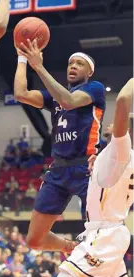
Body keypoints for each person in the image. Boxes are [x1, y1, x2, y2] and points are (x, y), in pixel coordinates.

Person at [14, 39, 106, 250]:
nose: (73, 66)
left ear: (89, 72)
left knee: (102, 234)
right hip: (58, 169)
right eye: (70, 63)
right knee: (35, 241)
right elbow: (21, 94)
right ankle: (72, 248)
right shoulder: (55, 97)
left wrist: (38, 65)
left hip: (87, 169)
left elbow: (69, 101)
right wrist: (22, 58)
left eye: (79, 63)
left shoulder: (95, 88)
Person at [58, 78, 134, 276]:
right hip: (111, 232)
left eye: (120, 121)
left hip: (104, 235)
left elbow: (123, 99)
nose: (112, 123)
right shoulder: (117, 156)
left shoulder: (122, 150)